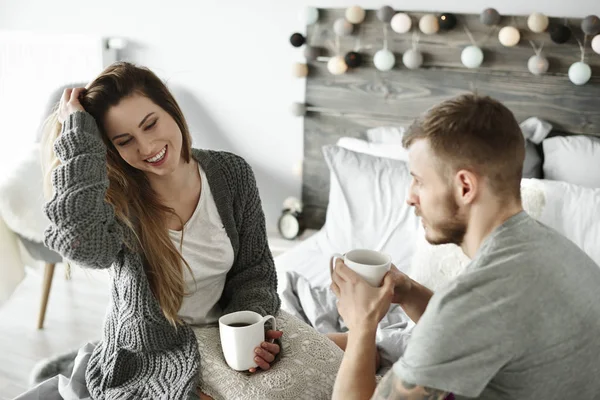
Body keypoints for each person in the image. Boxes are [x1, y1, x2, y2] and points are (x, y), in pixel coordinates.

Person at [330, 93, 600, 399]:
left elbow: (467, 314)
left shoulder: (475, 297)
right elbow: (478, 326)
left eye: (419, 181)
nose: (409, 197)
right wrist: (407, 291)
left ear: (465, 187)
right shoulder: (560, 252)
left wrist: (362, 324)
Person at [40, 62, 282, 399]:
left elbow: (254, 271)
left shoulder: (231, 174)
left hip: (227, 335)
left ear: (170, 107)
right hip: (151, 354)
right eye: (125, 141)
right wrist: (78, 139)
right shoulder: (118, 200)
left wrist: (251, 326)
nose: (146, 147)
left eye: (150, 124)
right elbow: (83, 247)